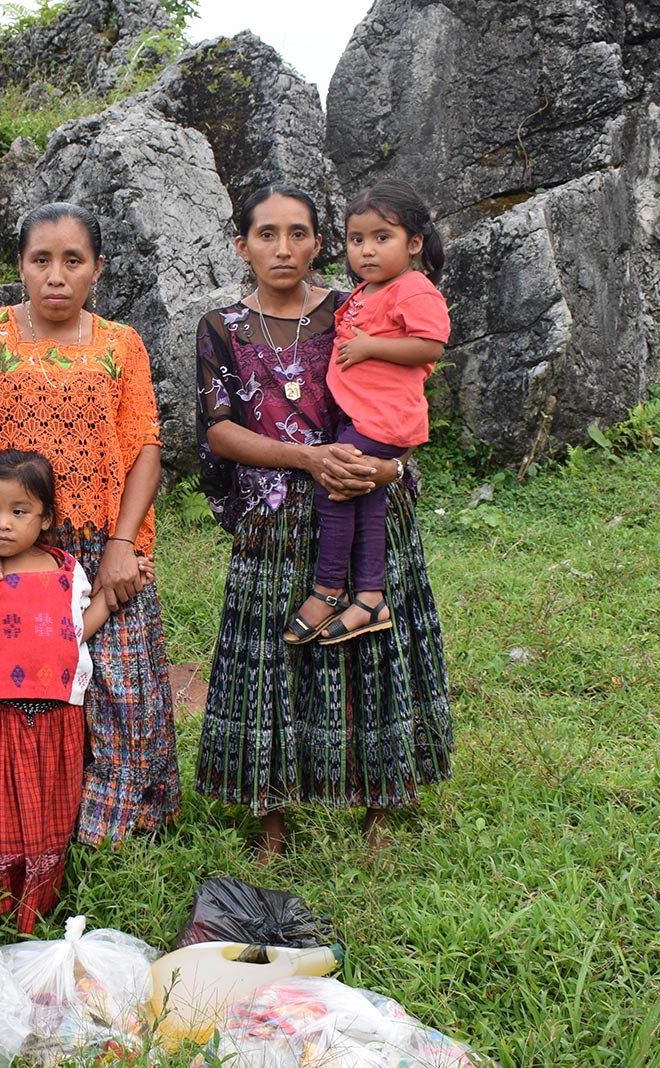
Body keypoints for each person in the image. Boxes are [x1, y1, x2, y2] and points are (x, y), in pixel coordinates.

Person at [0, 202, 180, 848]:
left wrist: (120, 545)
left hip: (93, 547)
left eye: (72, 261)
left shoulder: (121, 346)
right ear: (20, 267)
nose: (56, 276)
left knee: (112, 686)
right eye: (40, 260)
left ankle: (110, 827)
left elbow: (143, 448)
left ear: (97, 270)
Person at [194, 184, 455, 850]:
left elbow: (403, 398)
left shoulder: (356, 310)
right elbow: (219, 430)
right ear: (241, 245)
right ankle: (271, 814)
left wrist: (386, 469)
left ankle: (378, 808)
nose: (284, 249)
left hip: (370, 499)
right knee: (272, 664)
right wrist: (308, 460)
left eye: (300, 233)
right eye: (267, 234)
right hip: (275, 516)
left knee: (371, 652)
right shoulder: (223, 326)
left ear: (318, 242)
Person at [0, 449, 146, 931]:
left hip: (56, 723)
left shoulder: (68, 573)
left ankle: (33, 908)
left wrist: (110, 597)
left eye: (18, 512)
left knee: (44, 815)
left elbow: (75, 634)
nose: (2, 524)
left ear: (45, 519)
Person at [283, 179, 450, 646]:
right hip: (362, 416)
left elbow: (431, 344)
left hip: (384, 420)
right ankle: (371, 597)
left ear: (414, 243)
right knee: (366, 500)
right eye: (357, 240)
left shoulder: (412, 288)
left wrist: (370, 344)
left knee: (334, 487)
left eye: (382, 238)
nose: (367, 251)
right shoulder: (368, 291)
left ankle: (329, 589)